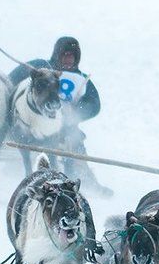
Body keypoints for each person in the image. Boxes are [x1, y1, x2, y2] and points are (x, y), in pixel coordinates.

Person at [8, 37, 111, 196]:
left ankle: (85, 180)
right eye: (65, 55)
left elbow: (94, 104)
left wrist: (76, 113)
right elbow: (11, 80)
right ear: (57, 55)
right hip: (30, 121)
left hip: (64, 126)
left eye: (72, 56)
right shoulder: (40, 67)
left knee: (74, 143)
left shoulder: (81, 80)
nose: (69, 60)